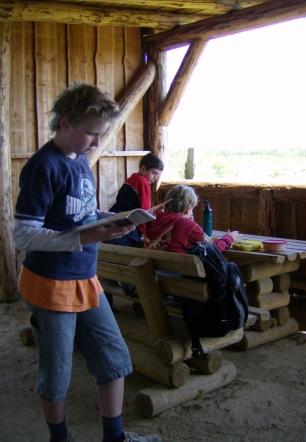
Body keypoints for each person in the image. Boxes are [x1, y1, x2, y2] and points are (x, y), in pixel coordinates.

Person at [13, 83, 160, 442]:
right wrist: (84, 237)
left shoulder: (79, 161)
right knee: (57, 371)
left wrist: (109, 218)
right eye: (91, 134)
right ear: (65, 123)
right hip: (50, 284)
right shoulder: (42, 167)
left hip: (84, 279)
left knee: (114, 358)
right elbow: (23, 236)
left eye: (101, 134)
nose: (96, 143)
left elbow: (76, 212)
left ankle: (115, 437)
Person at [144, 185, 238, 253]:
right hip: (178, 275)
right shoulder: (185, 224)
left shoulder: (153, 220)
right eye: (192, 208)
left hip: (156, 273)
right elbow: (213, 249)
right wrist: (229, 238)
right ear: (187, 209)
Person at [107, 152, 164, 246]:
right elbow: (145, 212)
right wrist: (144, 234)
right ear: (143, 169)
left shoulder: (131, 179)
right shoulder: (142, 182)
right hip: (126, 228)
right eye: (154, 173)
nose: (156, 178)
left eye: (158, 175)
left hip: (114, 221)